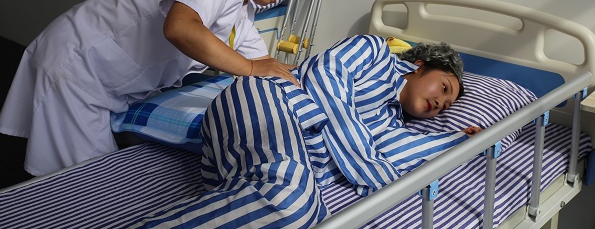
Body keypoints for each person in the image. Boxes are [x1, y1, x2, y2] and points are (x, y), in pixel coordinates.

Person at [0, 0, 306, 176]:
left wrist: (306, 76)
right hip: (76, 65)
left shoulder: (241, 13)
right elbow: (180, 28)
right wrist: (249, 67)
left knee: (81, 180)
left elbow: (269, 66)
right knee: (87, 185)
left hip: (99, 82)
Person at [127, 35, 481, 228]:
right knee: (294, 203)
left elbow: (401, 151)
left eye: (447, 106)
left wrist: (460, 141)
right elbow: (325, 76)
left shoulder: (391, 123)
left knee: (304, 212)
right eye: (444, 88)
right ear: (419, 65)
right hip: (268, 101)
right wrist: (368, 164)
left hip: (281, 157)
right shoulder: (374, 52)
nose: (441, 103)